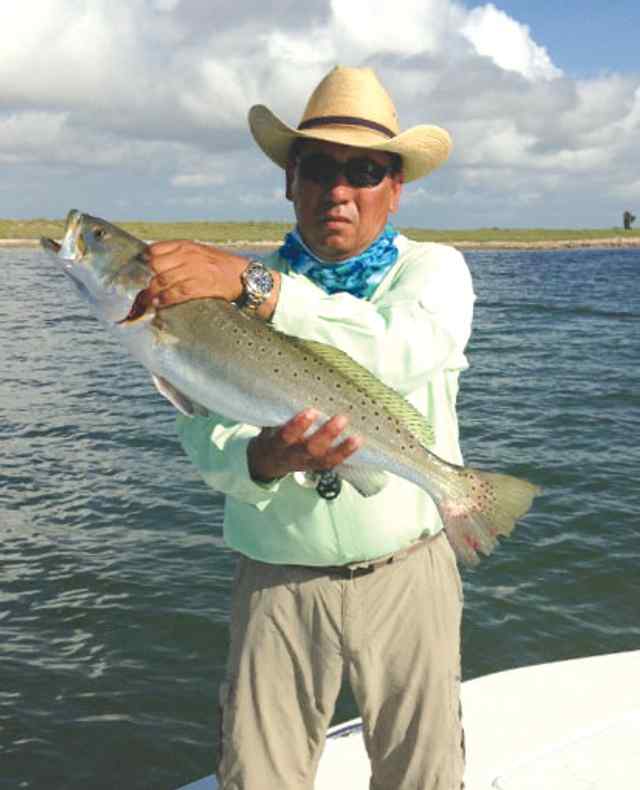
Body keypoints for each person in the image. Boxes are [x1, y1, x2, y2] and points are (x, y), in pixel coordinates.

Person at [144, 66, 475, 790]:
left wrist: (259, 290)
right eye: (318, 166)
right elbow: (203, 436)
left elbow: (396, 349)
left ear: (396, 187)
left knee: (424, 776)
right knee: (258, 777)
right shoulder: (226, 290)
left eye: (365, 169)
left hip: (408, 573)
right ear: (289, 180)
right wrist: (260, 458)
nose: (339, 188)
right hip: (274, 582)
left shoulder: (434, 273)